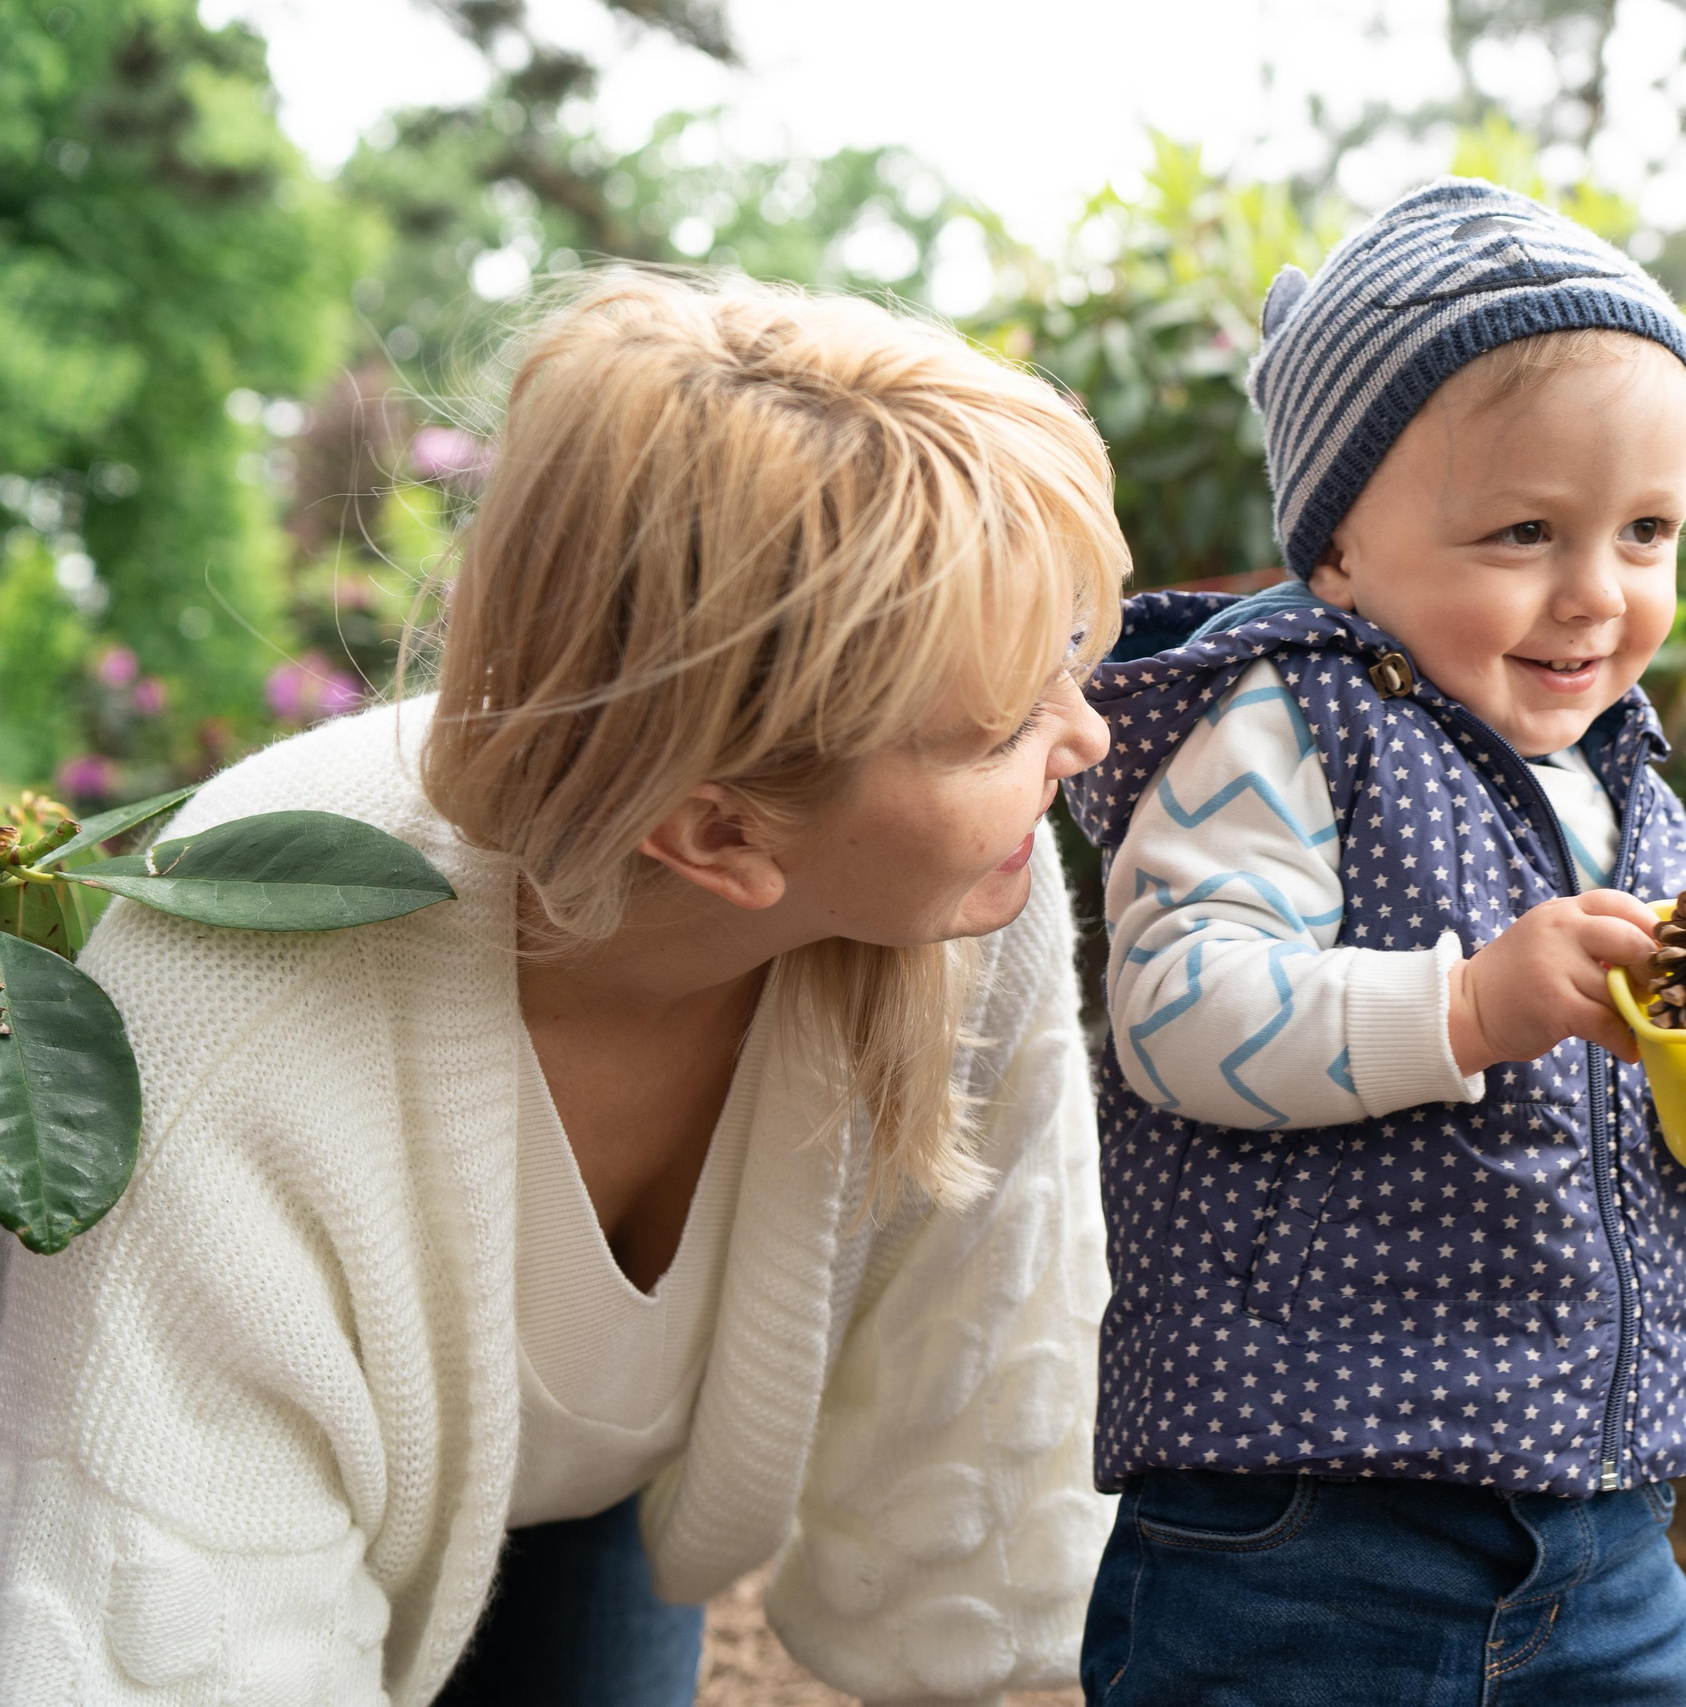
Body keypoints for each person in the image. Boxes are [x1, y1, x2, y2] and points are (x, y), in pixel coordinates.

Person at [0, 273, 1126, 1706]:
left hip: (596, 1501)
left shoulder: (966, 912)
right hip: (253, 1484)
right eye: (1000, 726)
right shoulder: (238, 1002)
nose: (1085, 737)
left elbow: (977, 1477)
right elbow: (180, 1649)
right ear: (719, 832)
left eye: (1067, 669)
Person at [1062, 180, 1686, 1703]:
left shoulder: (1630, 795)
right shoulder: (1291, 725)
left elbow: (1666, 1108)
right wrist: (1462, 1006)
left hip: (1601, 1537)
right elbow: (1178, 1010)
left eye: (1647, 531)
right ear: (1337, 550)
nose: (1596, 592)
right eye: (1525, 530)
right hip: (1307, 1532)